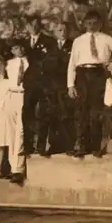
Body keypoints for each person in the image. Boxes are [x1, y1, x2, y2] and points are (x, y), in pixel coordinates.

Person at [67, 10, 112, 157]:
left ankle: (96, 146)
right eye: (88, 23)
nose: (91, 26)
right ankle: (82, 145)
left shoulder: (106, 39)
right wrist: (70, 84)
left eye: (95, 23)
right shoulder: (78, 41)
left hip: (99, 75)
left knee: (96, 112)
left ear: (100, 24)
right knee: (82, 111)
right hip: (82, 75)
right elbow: (72, 64)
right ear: (84, 24)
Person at [21, 15, 55, 156]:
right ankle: (28, 146)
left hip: (44, 81)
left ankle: (41, 146)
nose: (33, 28)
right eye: (30, 25)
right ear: (26, 27)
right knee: (27, 112)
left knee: (44, 113)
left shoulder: (49, 41)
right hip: (29, 81)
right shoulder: (24, 42)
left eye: (36, 25)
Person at [44, 22, 75, 154]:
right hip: (52, 87)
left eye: (64, 30)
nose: (62, 32)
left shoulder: (73, 45)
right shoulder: (49, 47)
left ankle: (69, 145)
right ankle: (54, 145)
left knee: (67, 115)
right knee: (53, 116)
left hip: (66, 85)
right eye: (59, 30)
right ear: (54, 33)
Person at [3, 41, 27, 185]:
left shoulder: (30, 62)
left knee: (21, 132)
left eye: (21, 47)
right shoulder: (8, 64)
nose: (19, 50)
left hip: (24, 95)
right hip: (10, 95)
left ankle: (19, 169)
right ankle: (13, 168)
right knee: (11, 133)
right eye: (16, 47)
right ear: (12, 50)